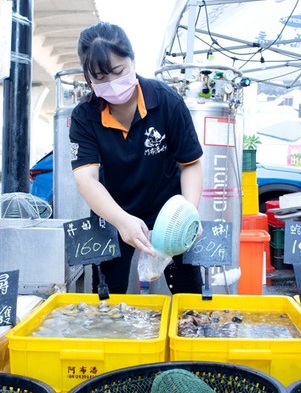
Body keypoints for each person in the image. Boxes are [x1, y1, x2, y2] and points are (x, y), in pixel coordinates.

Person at [69, 22, 204, 294]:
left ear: (132, 60)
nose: (112, 84)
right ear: (88, 78)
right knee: (109, 298)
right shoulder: (84, 115)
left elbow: (190, 163)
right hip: (112, 212)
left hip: (168, 213)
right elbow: (86, 179)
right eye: (100, 78)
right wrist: (121, 221)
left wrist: (189, 212)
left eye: (118, 72)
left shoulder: (167, 101)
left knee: (188, 295)